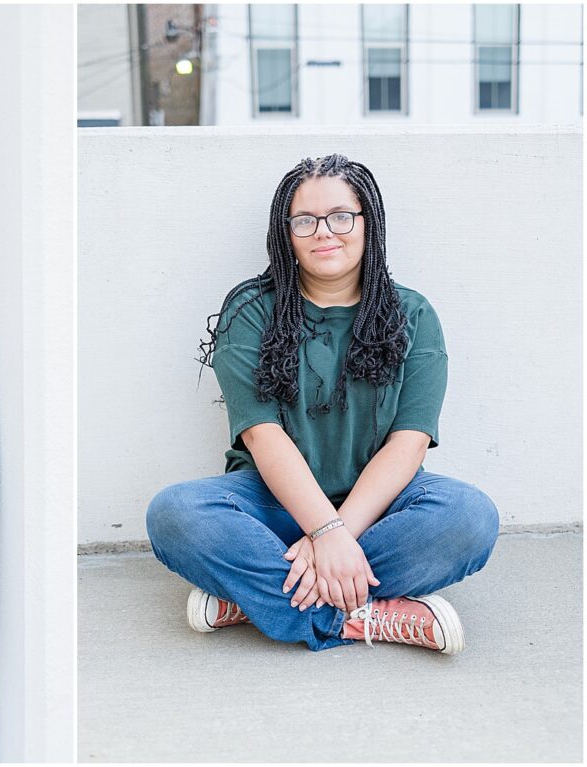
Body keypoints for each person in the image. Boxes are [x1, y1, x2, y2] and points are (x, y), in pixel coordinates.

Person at [146, 154, 498, 655]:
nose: (323, 232)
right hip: (273, 503)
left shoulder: (413, 314)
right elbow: (262, 436)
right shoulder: (250, 310)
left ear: (367, 223)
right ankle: (367, 616)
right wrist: (322, 530)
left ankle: (257, 600)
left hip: (379, 508)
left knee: (469, 516)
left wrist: (337, 536)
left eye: (340, 216)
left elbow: (409, 443)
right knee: (176, 514)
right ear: (285, 232)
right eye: (304, 220)